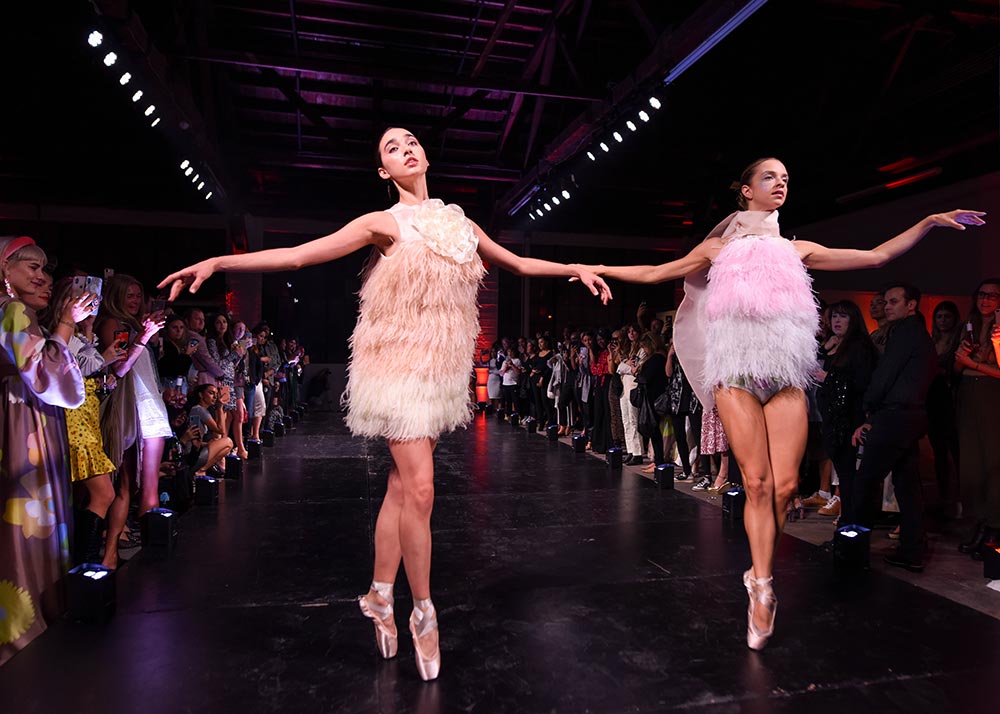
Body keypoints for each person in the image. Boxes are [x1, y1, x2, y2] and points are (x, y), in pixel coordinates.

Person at [158, 126, 611, 681]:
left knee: (401, 489)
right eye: (393, 149)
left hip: (439, 370)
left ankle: (378, 594)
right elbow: (301, 255)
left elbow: (516, 263)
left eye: (412, 141)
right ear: (384, 172)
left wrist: (576, 269)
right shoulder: (381, 223)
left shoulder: (459, 222)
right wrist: (221, 264)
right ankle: (422, 610)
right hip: (394, 366)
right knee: (421, 488)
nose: (407, 149)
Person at [588, 157, 984, 650]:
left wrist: (927, 222)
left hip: (785, 379)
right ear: (747, 191)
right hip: (735, 376)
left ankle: (758, 569)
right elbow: (655, 271)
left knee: (787, 486)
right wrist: (595, 268)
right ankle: (763, 586)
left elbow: (877, 256)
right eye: (770, 177)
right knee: (755, 481)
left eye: (786, 179)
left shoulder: (799, 251)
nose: (781, 184)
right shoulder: (718, 248)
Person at [1, 236, 88, 665]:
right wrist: (68, 324)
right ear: (5, 271)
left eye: (44, 268)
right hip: (24, 428)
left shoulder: (17, 314)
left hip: (27, 421)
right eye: (30, 267)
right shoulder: (12, 310)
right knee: (31, 523)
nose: (42, 276)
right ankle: (26, 631)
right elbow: (52, 377)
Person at [850, 284, 937, 572]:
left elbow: (886, 375)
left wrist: (869, 407)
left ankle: (853, 547)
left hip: (895, 418)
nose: (887, 306)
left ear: (911, 305)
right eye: (885, 302)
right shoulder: (918, 335)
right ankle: (912, 551)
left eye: (894, 302)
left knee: (865, 483)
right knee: (907, 486)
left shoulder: (905, 333)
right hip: (910, 418)